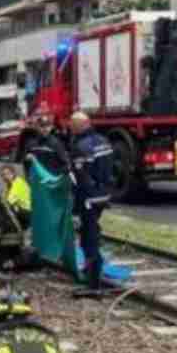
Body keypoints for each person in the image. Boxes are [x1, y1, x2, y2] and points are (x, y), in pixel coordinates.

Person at [68, 111, 115, 297]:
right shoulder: (103, 141)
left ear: (80, 125)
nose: (70, 128)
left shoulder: (81, 146)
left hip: (89, 197)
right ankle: (92, 273)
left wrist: (77, 207)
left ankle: (93, 284)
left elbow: (81, 179)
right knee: (92, 232)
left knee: (89, 238)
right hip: (103, 195)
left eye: (72, 125)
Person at [0, 165, 31, 229]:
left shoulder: (17, 183)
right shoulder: (10, 185)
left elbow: (9, 201)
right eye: (3, 175)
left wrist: (2, 199)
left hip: (28, 211)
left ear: (13, 173)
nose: (5, 177)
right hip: (24, 211)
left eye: (8, 174)